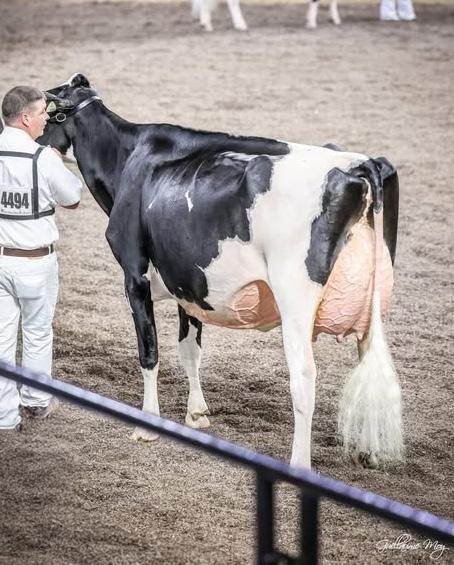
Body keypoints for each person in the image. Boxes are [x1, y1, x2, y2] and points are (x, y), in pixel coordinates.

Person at [0, 86, 82, 431]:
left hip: (1, 259)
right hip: (35, 262)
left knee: (2, 338)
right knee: (36, 332)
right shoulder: (43, 158)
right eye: (41, 112)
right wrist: (57, 161)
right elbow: (73, 198)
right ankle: (35, 401)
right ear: (25, 118)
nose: (46, 118)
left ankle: (4, 415)